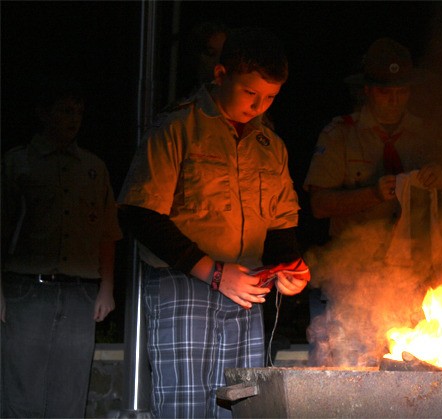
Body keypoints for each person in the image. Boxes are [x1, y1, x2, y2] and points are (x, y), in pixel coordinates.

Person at [117, 27, 310, 418]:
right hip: (183, 283)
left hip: (247, 291)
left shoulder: (269, 145)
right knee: (187, 404)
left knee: (241, 404)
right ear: (220, 75)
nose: (259, 106)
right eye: (250, 93)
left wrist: (291, 266)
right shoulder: (177, 127)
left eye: (270, 97)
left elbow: (281, 223)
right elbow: (140, 213)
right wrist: (215, 273)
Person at [303, 37, 442, 366]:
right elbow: (319, 205)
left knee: (410, 374)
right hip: (356, 279)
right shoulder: (340, 135)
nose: (394, 100)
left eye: (401, 91)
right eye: (385, 91)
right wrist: (372, 194)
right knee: (352, 371)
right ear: (367, 90)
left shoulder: (426, 134)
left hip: (415, 281)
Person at [1, 77, 122, 417]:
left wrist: (107, 288)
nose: (73, 119)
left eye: (79, 112)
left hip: (78, 291)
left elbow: (107, 231)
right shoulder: (18, 163)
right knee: (20, 389)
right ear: (44, 113)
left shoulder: (93, 168)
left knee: (69, 394)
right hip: (27, 287)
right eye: (65, 111)